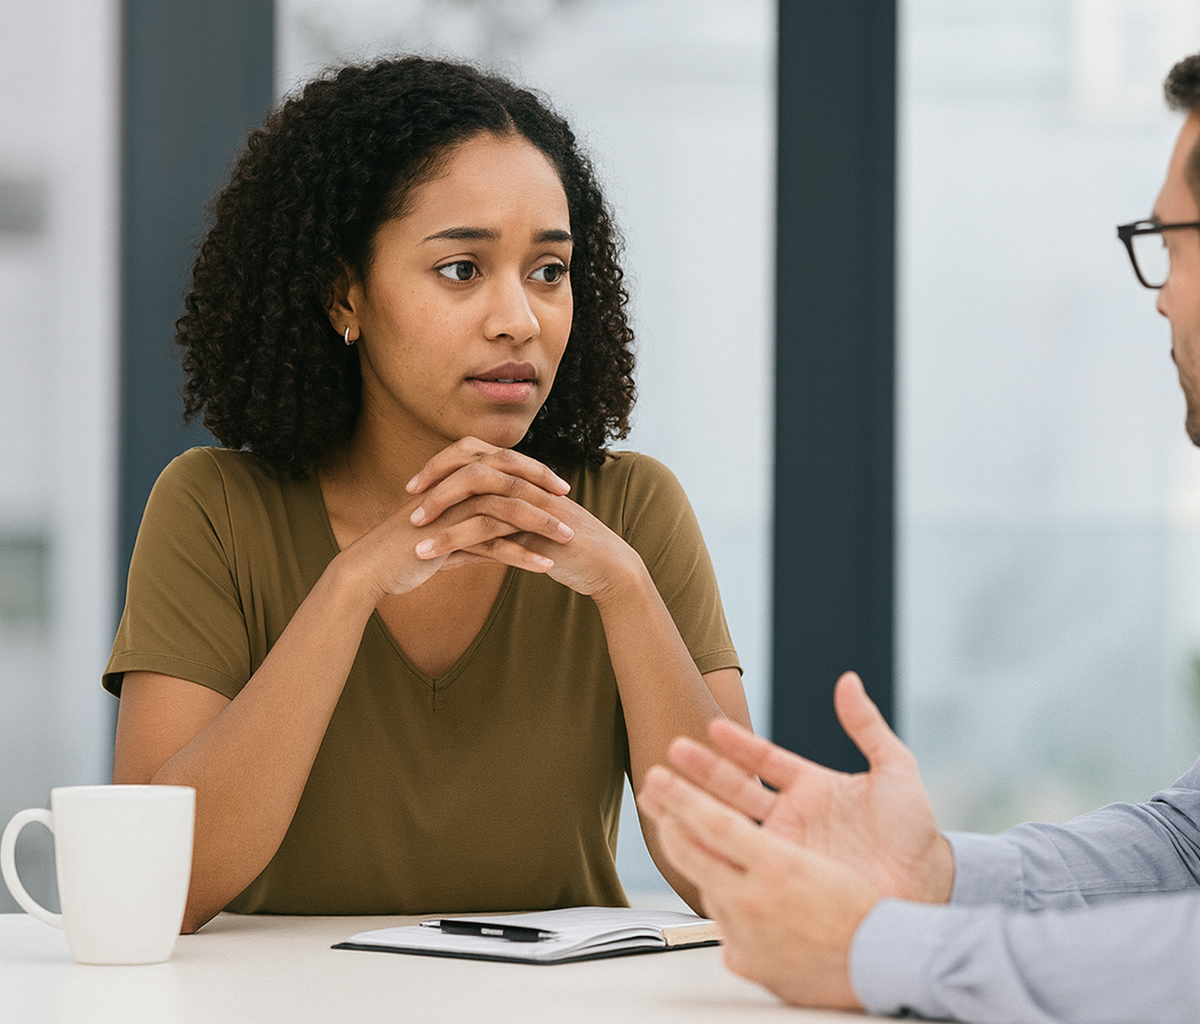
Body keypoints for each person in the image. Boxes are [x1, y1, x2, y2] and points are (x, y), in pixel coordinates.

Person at [638, 30, 1200, 1024]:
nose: (1161, 301)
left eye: (1167, 248)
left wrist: (875, 948)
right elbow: (1199, 847)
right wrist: (933, 873)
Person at [106, 57, 751, 931]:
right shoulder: (216, 509)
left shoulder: (631, 511)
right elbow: (155, 889)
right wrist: (351, 586)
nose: (518, 318)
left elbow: (744, 881)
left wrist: (626, 593)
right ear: (346, 294)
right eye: (460, 269)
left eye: (549, 271)